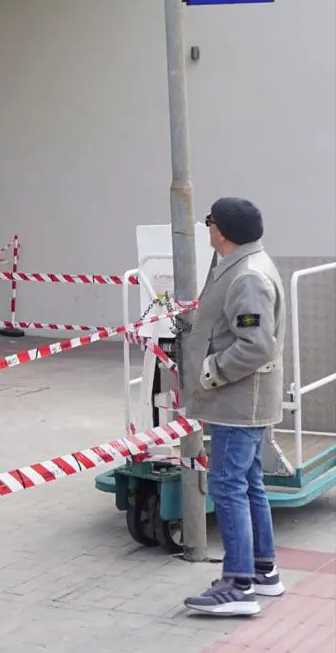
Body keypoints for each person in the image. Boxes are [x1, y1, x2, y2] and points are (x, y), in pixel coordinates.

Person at [180, 196, 286, 617]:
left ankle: (238, 585)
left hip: (238, 400)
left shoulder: (247, 276)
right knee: (249, 482)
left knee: (227, 484)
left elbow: (255, 344)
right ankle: (263, 570)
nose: (207, 229)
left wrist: (211, 372)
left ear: (220, 231)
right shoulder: (243, 264)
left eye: (209, 223)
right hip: (242, 399)